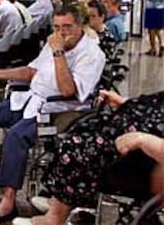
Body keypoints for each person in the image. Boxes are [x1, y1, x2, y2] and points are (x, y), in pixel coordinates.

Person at [0, 4, 106, 224]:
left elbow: (68, 91)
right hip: (33, 100)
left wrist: (58, 52)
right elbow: (31, 71)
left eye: (67, 27)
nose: (61, 33)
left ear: (80, 25)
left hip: (61, 110)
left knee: (16, 136)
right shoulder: (54, 42)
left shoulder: (91, 54)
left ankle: (7, 204)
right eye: (57, 27)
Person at [13, 89, 164, 225]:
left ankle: (54, 218)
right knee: (81, 132)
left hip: (148, 160)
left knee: (77, 149)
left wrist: (143, 139)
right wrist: (125, 102)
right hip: (131, 138)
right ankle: (61, 200)